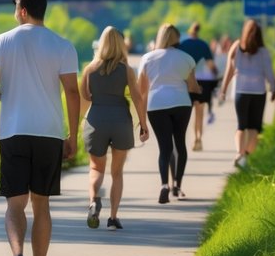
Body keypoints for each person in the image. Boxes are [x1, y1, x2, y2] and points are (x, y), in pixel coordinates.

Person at [0, 0, 80, 256]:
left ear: (22, 10)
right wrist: (73, 136)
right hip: (49, 132)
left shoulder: (0, 42)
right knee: (42, 206)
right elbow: (72, 93)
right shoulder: (63, 45)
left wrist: (7, 96)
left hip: (12, 131)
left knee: (14, 205)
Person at [80, 26, 148, 230]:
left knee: (95, 168)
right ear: (121, 45)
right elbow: (137, 97)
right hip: (120, 120)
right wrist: (143, 125)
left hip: (96, 120)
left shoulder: (89, 69)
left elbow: (84, 96)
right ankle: (113, 217)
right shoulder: (126, 70)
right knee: (117, 172)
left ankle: (93, 201)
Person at [138, 23, 199, 204]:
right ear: (177, 38)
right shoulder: (186, 58)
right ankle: (177, 185)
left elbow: (142, 92)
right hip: (181, 103)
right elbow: (192, 86)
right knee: (179, 143)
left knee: (164, 148)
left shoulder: (147, 58)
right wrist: (200, 89)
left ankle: (164, 184)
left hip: (156, 104)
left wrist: (142, 122)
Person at [219, 19, 275, 169]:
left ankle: (239, 153)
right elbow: (269, 73)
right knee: (254, 128)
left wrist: (223, 89)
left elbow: (229, 70)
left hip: (240, 91)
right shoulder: (264, 52)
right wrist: (274, 89)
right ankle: (245, 154)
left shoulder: (236, 47)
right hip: (258, 92)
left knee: (241, 126)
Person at [177, 22, 218, 152]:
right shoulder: (204, 45)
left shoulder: (182, 45)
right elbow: (211, 65)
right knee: (199, 112)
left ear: (189, 32)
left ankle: (183, 139)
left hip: (187, 81)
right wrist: (216, 75)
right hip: (203, 81)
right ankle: (198, 138)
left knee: (186, 113)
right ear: (198, 32)